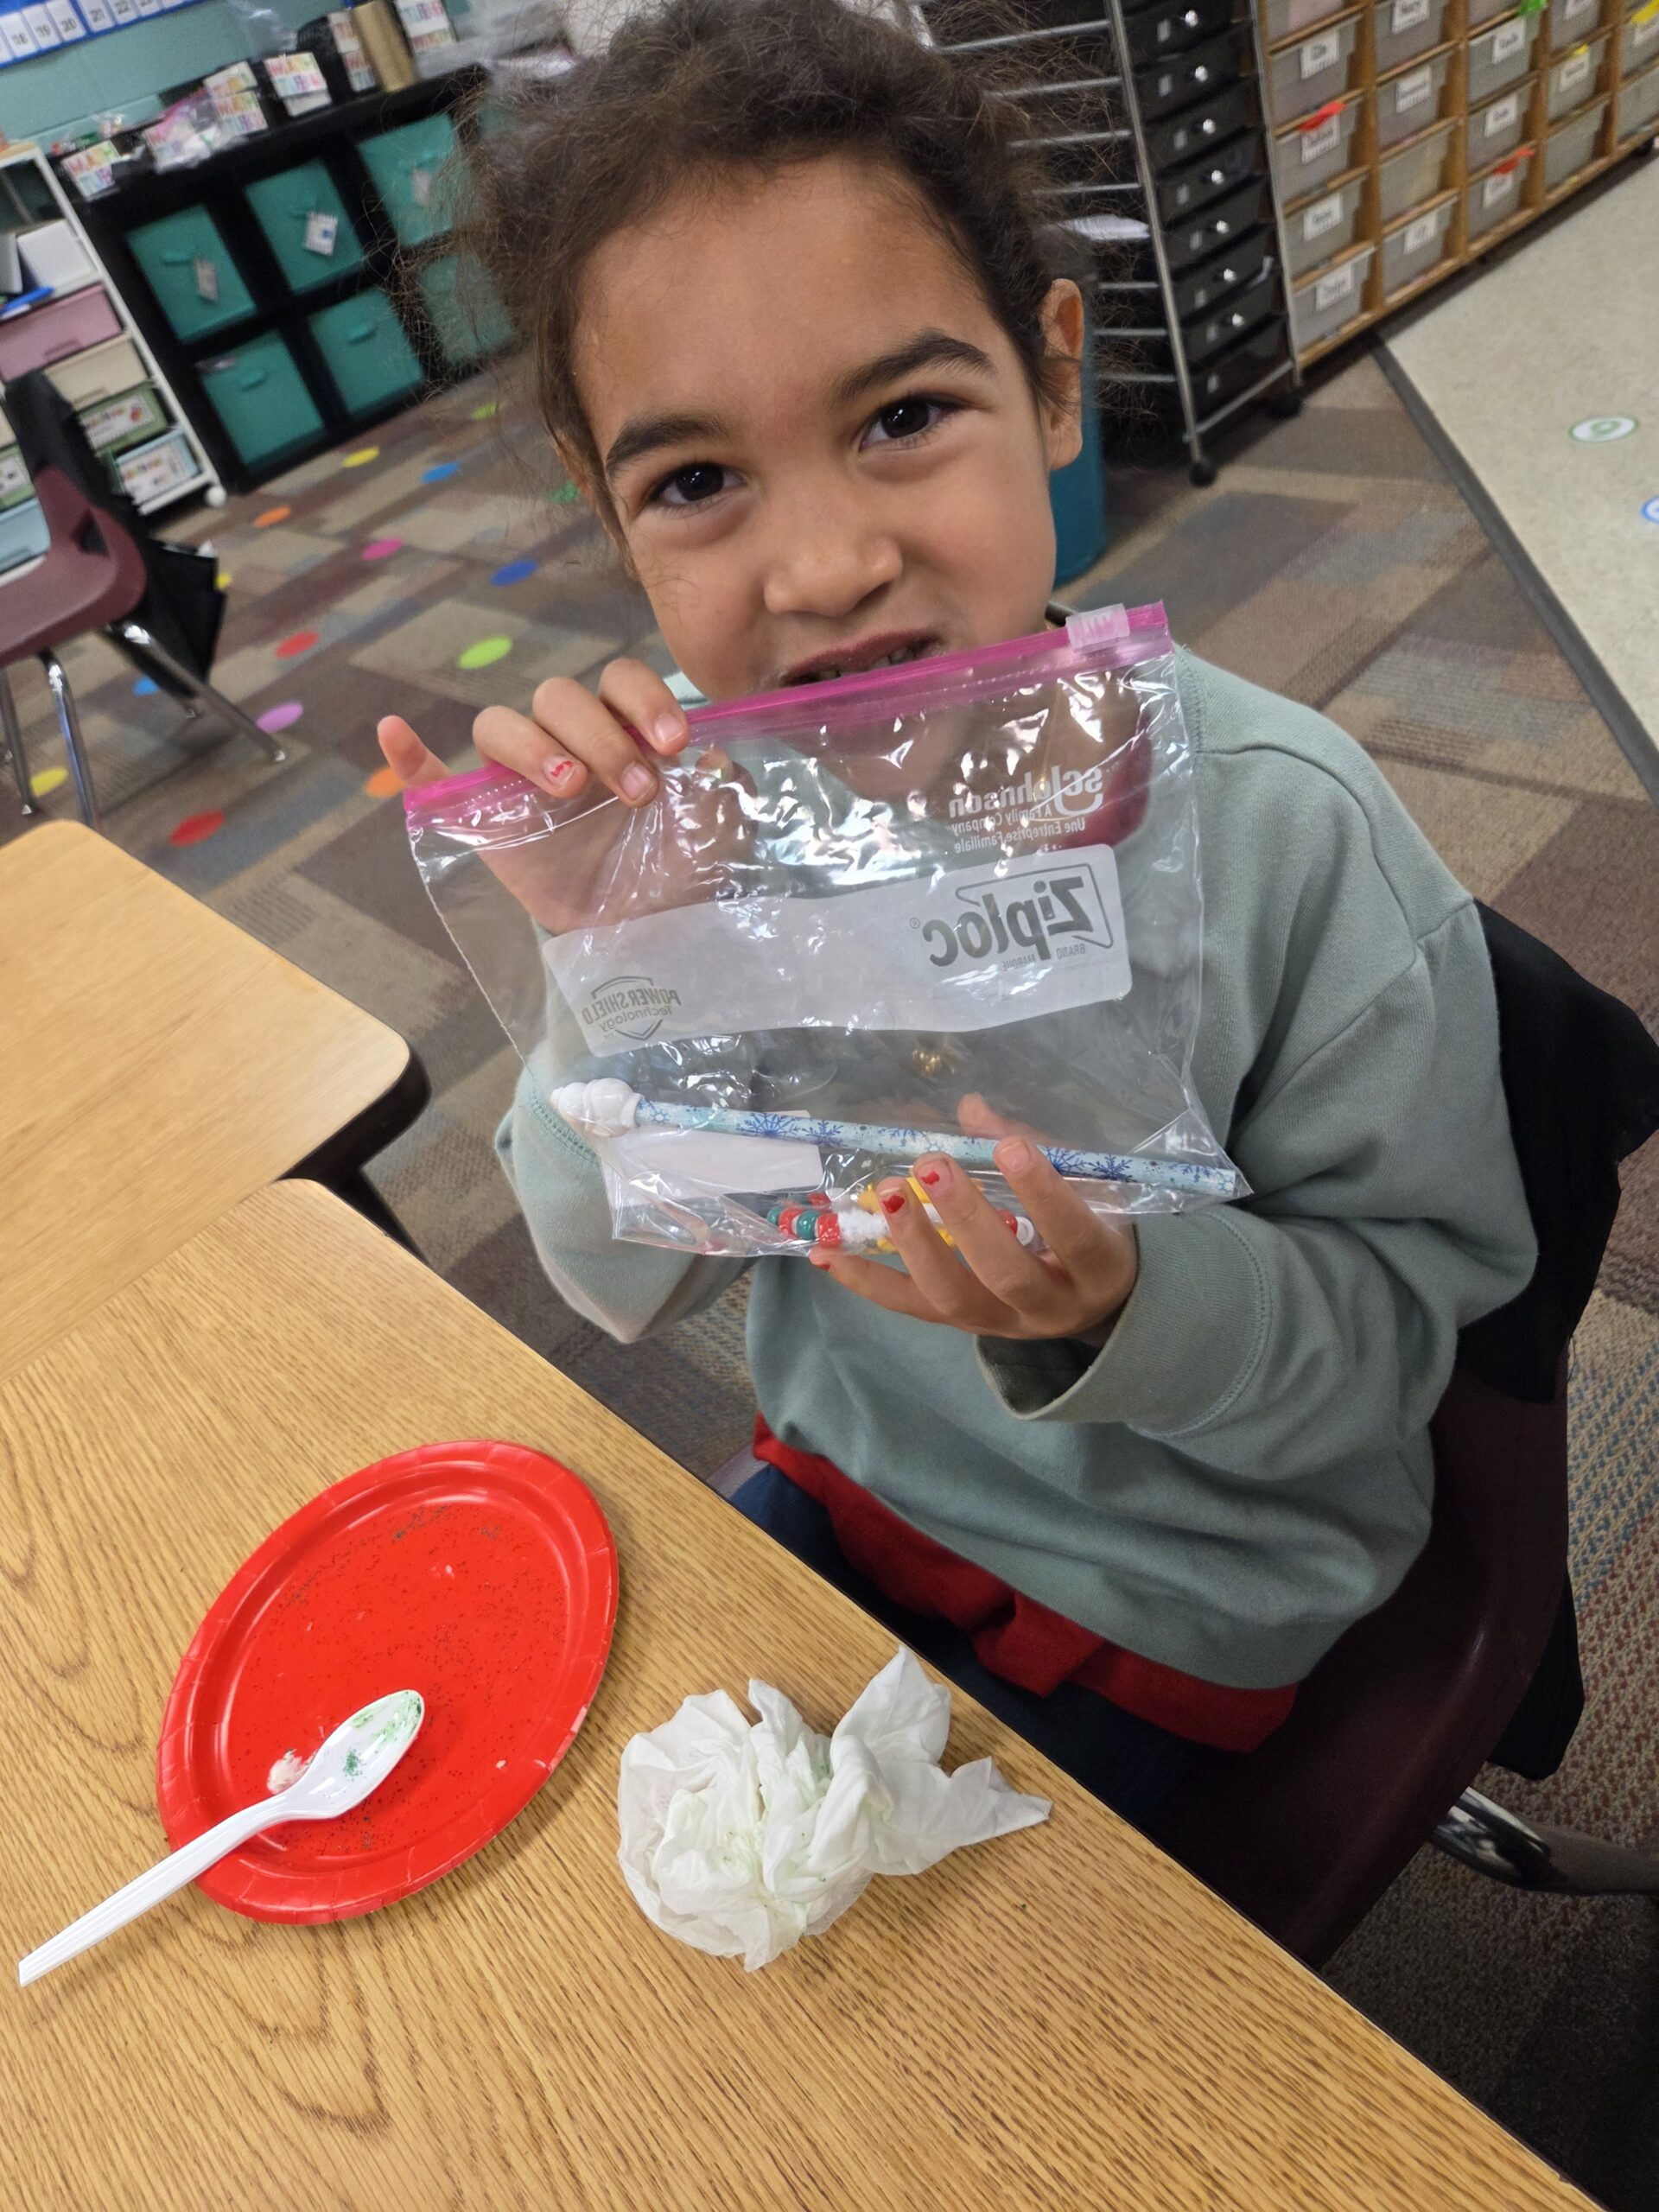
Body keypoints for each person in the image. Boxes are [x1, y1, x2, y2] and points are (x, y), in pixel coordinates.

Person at [378, 0, 1535, 1821]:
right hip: (836, 1492)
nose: (829, 565)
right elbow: (624, 1266)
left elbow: (1400, 1342)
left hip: (1174, 1584)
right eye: (696, 483)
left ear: (1056, 377)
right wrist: (624, 959)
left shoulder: (1290, 837)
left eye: (905, 415)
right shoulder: (704, 824)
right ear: (617, 525)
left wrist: (1124, 1295)